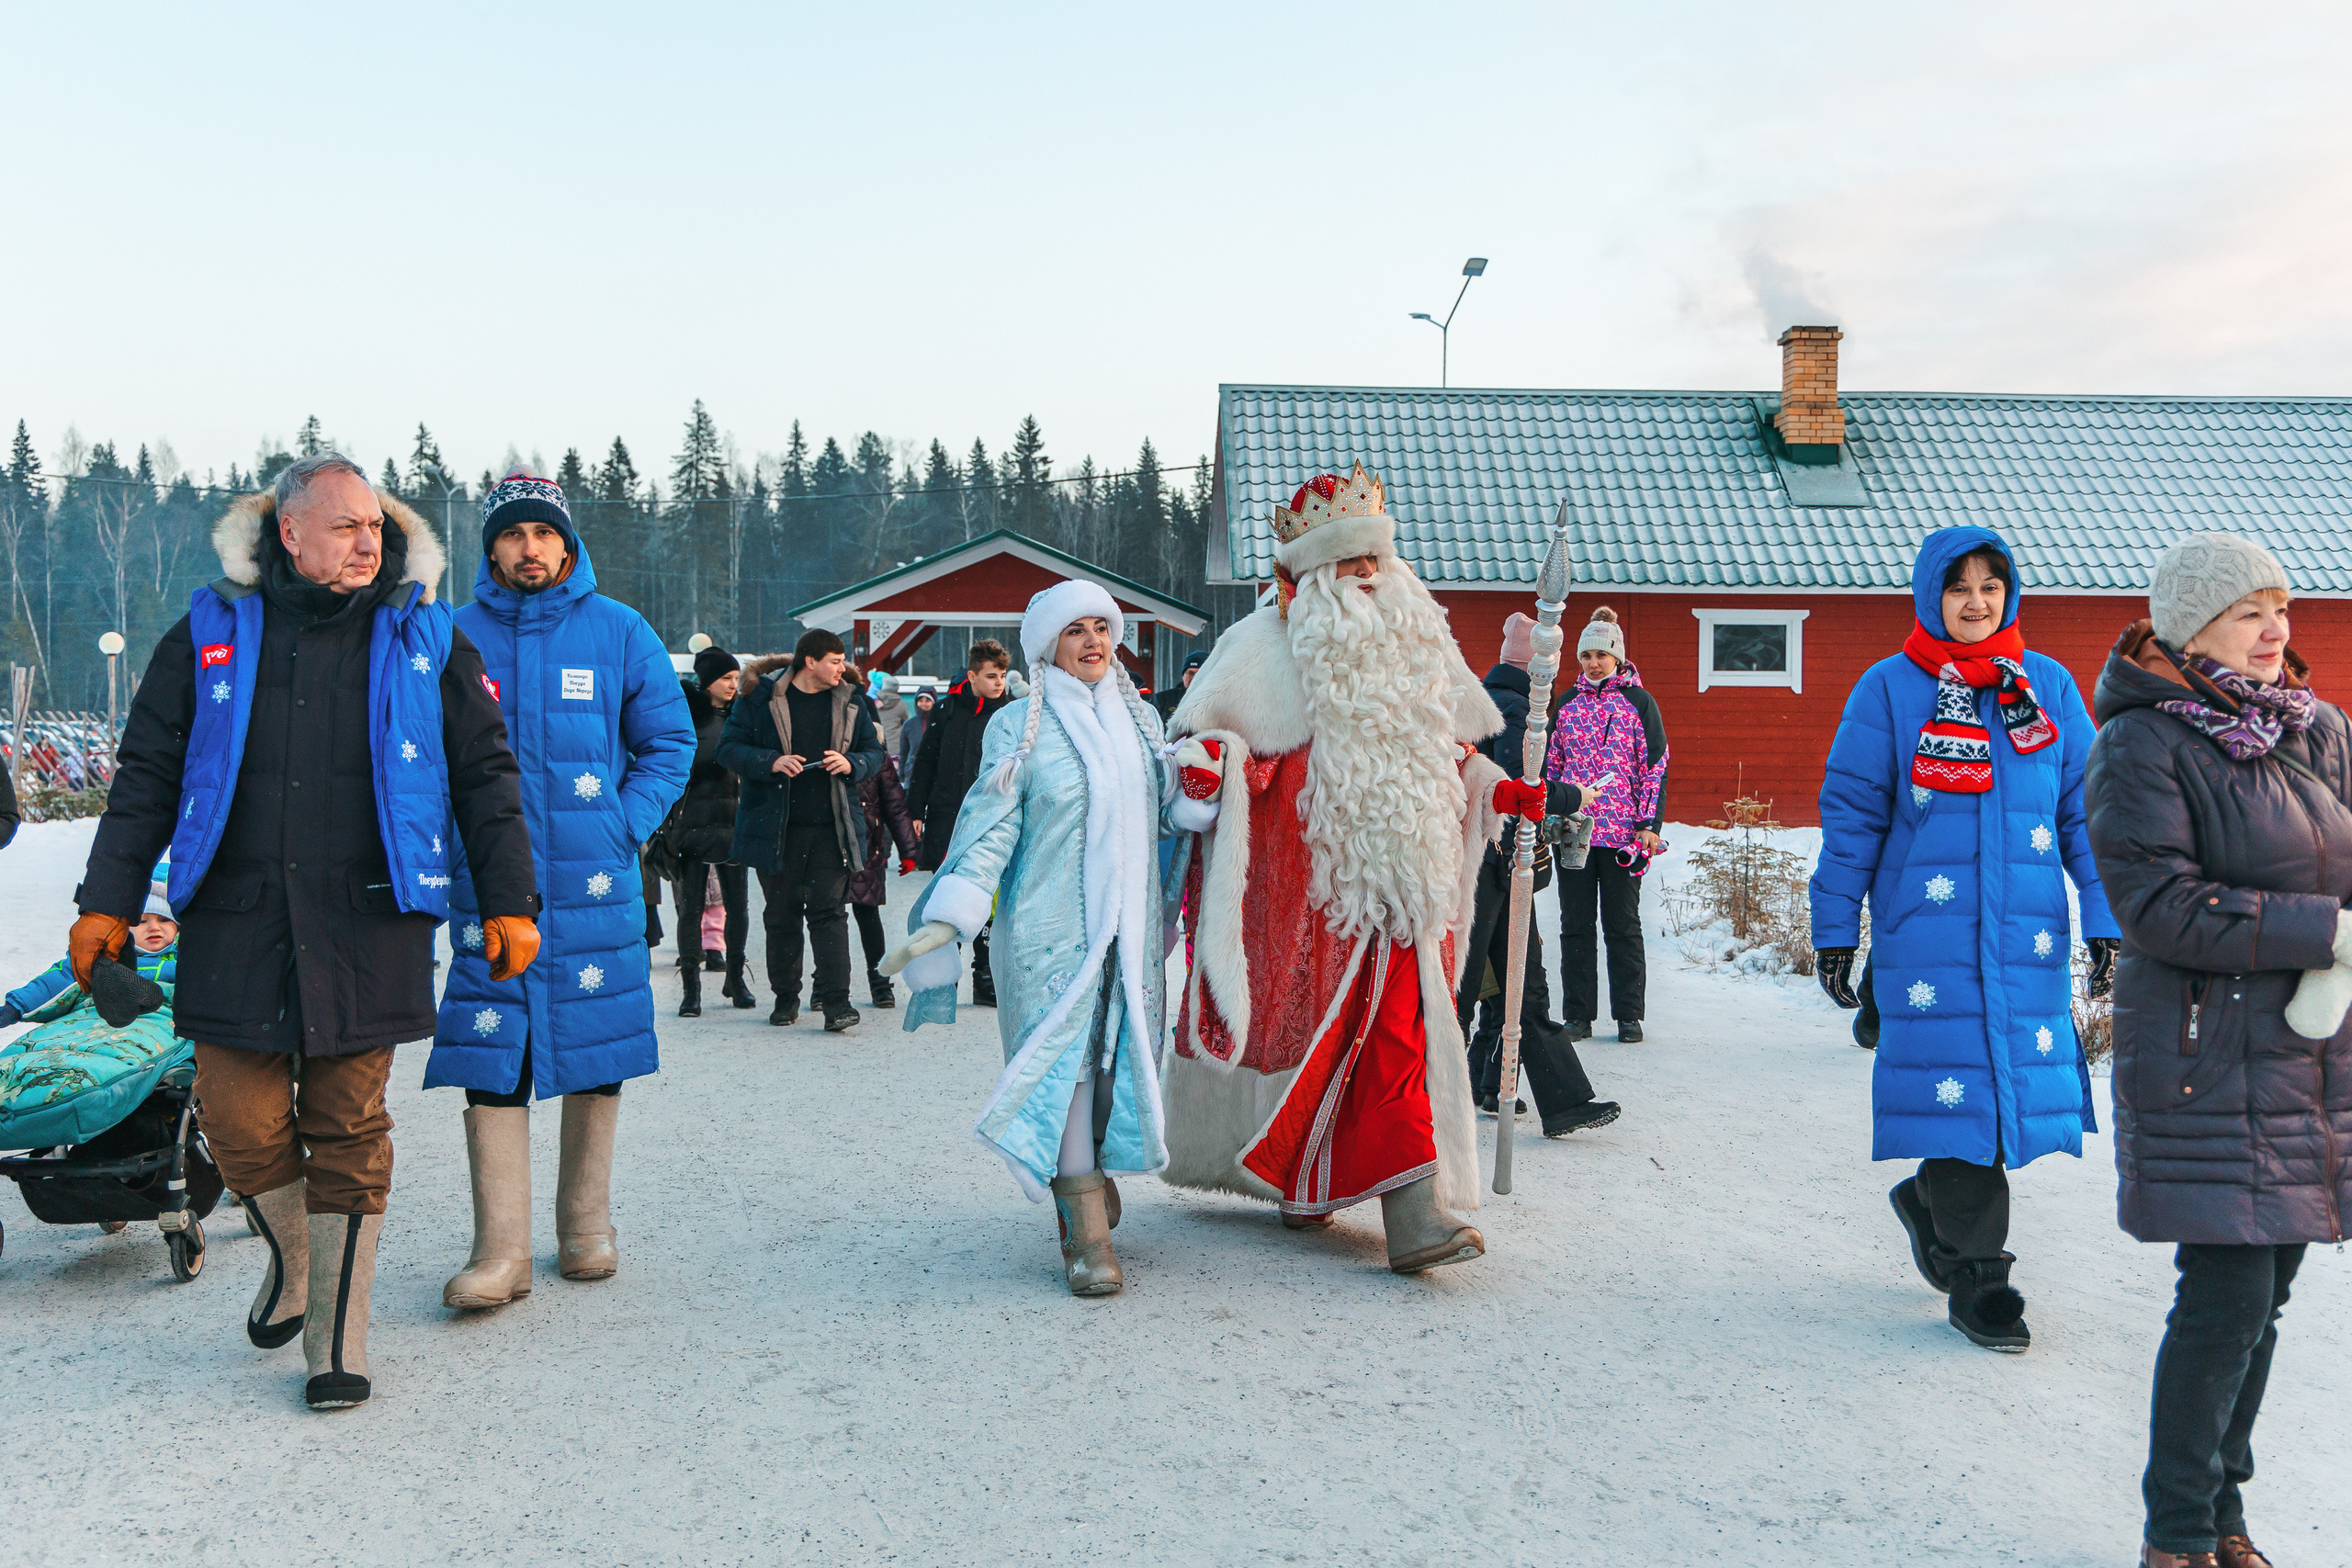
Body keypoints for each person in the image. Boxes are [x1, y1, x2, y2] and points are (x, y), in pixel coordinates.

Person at [71, 453, 538, 1409]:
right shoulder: (210, 631)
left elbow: (484, 776)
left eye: (375, 525)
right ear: (288, 533)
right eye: (345, 527)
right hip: (237, 913)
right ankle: (293, 1252)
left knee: (348, 1126)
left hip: (371, 914)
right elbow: (147, 776)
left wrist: (509, 899)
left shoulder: (424, 636)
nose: (369, 541)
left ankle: (336, 1339)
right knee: (239, 1122)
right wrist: (105, 902)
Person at [1162, 466, 1533, 1273]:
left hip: (1406, 889)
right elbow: (1231, 755)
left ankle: (1410, 1215)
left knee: (1393, 1041)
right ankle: (1318, 1184)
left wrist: (1502, 787)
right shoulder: (1260, 650)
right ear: (1307, 579)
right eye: (1349, 564)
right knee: (1330, 1041)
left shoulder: (1419, 647)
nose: (1368, 575)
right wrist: (1212, 766)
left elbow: (1452, 750)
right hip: (1311, 896)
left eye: (1376, 560)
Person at [2083, 534, 2348, 1568]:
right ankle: (2178, 1533)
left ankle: (2222, 1519)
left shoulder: (2318, 730)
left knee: (2264, 1295)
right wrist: (2323, 931)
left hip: (2307, 1054)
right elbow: (2158, 908)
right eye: (2247, 613)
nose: (2273, 629)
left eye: (2279, 606)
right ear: (2191, 631)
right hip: (2209, 1050)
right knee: (2226, 1295)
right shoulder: (2142, 744)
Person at [1811, 525, 2118, 1353]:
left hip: (2027, 939)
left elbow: (2086, 814)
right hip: (1928, 936)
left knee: (2003, 1089)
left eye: (1991, 584)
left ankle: (1933, 1209)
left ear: (2011, 593)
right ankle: (1982, 1277)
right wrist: (1837, 924)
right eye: (1959, 587)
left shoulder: (2045, 687)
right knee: (1959, 1087)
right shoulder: (1889, 690)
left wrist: (2105, 912)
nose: (1976, 601)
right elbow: (1854, 816)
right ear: (1928, 596)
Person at [886, 581, 1199, 1295]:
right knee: (1066, 1072)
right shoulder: (1018, 724)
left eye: (1101, 627)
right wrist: (955, 911)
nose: (1092, 641)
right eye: (1075, 631)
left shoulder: (1143, 719)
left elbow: (1159, 821)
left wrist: (1196, 803)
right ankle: (1084, 1233)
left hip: (1128, 936)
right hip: (1050, 932)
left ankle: (1084, 1175)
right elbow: (992, 823)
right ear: (1047, 646)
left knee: (1119, 1063)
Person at [424, 475, 692, 1311]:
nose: (530, 547)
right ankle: (498, 1249)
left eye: (545, 533)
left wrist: (623, 822)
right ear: (491, 548)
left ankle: (585, 1224)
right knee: (491, 1041)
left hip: (595, 876)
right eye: (514, 535)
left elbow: (668, 741)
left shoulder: (619, 630)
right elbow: (415, 756)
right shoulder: (449, 634)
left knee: (594, 1037)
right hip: (483, 883)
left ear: (568, 546)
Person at [1460, 614, 1620, 1135]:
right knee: (1464, 988)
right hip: (1484, 870)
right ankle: (1430, 1095)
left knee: (1520, 988)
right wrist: (1576, 797)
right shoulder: (1512, 715)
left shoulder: (1496, 704)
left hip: (1503, 870)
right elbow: (1517, 792)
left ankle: (1564, 1101)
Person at [719, 629, 887, 1032]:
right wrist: (771, 762)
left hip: (833, 826)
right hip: (775, 827)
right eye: (834, 659)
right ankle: (785, 999)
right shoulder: (760, 698)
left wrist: (852, 765)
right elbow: (728, 749)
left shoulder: (851, 700)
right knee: (782, 914)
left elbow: (874, 752)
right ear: (809, 661)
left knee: (830, 914)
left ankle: (836, 1005)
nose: (841, 667)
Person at [1544, 605, 1668, 1042]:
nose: (1593, 663)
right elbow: (1552, 766)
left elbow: (1653, 765)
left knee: (1622, 925)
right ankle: (1578, 1015)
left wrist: (1648, 823)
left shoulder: (1639, 703)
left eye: (1601, 655)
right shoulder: (1566, 704)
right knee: (1575, 924)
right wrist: (1551, 817)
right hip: (1575, 834)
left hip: (1622, 836)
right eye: (1585, 656)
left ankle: (1628, 1015)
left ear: (1616, 656)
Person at [907, 638, 1012, 1007]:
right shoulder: (947, 711)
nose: (998, 682)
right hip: (947, 816)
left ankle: (985, 977)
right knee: (945, 897)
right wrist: (915, 811)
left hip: (992, 819)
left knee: (987, 897)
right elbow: (925, 763)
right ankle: (942, 976)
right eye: (990, 676)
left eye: (1002, 675)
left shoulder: (1014, 713)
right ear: (972, 676)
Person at [666, 645, 752, 1017]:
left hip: (735, 821)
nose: (734, 684)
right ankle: (691, 988)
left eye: (736, 677)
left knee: (738, 907)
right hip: (694, 823)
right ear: (707, 682)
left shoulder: (743, 716)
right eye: (726, 678)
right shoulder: (687, 717)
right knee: (691, 908)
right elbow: (673, 763)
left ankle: (735, 978)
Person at [4, 857, 178, 1031]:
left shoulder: (188, 960)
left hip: (159, 1028)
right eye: (141, 922)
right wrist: (16, 1008)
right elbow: (58, 981)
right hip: (91, 1025)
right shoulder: (103, 958)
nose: (154, 928)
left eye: (164, 920)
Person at [849, 753, 921, 1009]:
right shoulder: (826, 747)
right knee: (826, 918)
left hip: (867, 843)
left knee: (867, 912)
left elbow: (895, 806)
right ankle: (824, 984)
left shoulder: (875, 756)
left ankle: (880, 981)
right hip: (829, 841)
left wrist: (908, 849)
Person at [1151, 648, 1207, 721]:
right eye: (1190, 673)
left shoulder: (1216, 702)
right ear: (1183, 675)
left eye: (1199, 674)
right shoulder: (1162, 699)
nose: (1194, 678)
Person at [865, 667, 907, 759]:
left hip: (876, 745)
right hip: (895, 748)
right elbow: (905, 723)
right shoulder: (900, 704)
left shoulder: (870, 701)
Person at [899, 689, 934, 773]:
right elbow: (903, 752)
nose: (924, 704)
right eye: (921, 700)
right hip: (912, 772)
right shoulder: (909, 724)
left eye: (927, 700)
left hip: (934, 773)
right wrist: (901, 775)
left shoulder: (940, 722)